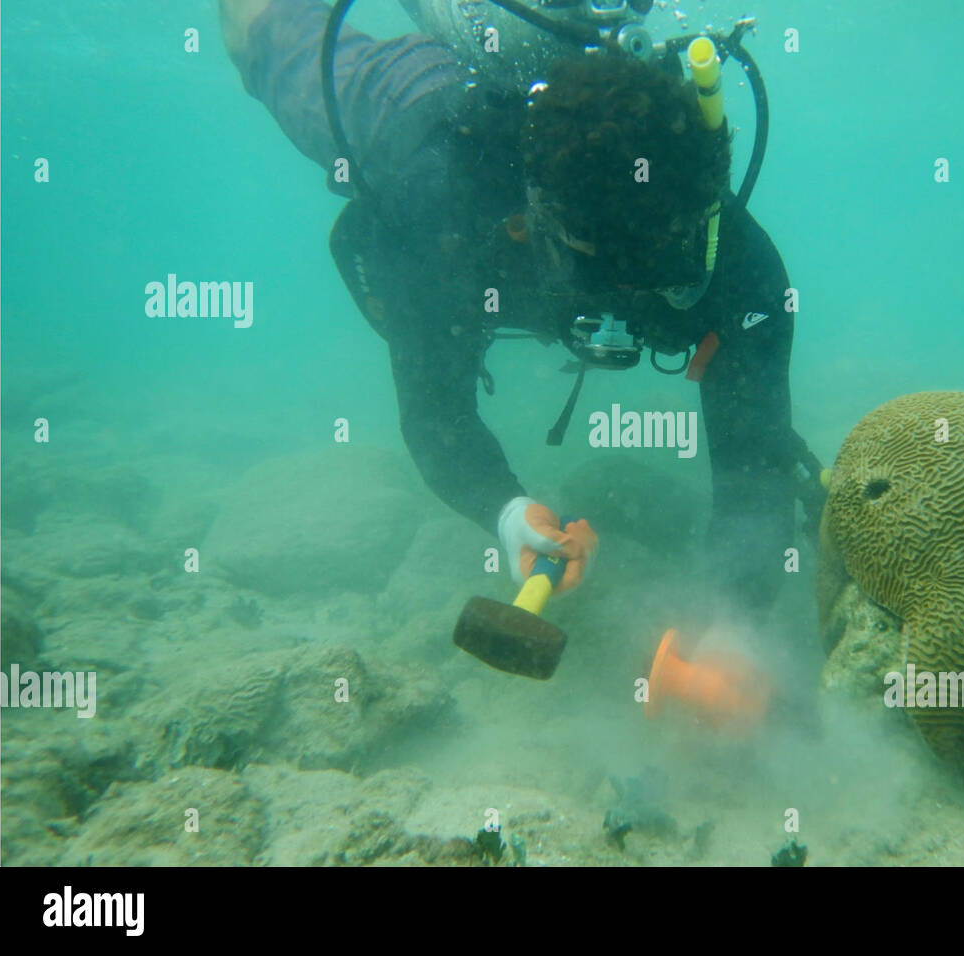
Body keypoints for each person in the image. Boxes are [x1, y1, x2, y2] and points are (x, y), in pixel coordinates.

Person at [220, 0, 814, 613]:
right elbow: (435, 416)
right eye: (604, 264)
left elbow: (755, 467)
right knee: (267, 37)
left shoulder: (734, 257)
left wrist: (734, 619)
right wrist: (504, 508)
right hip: (414, 107)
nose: (629, 289)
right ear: (533, 223)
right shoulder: (437, 207)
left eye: (660, 261)